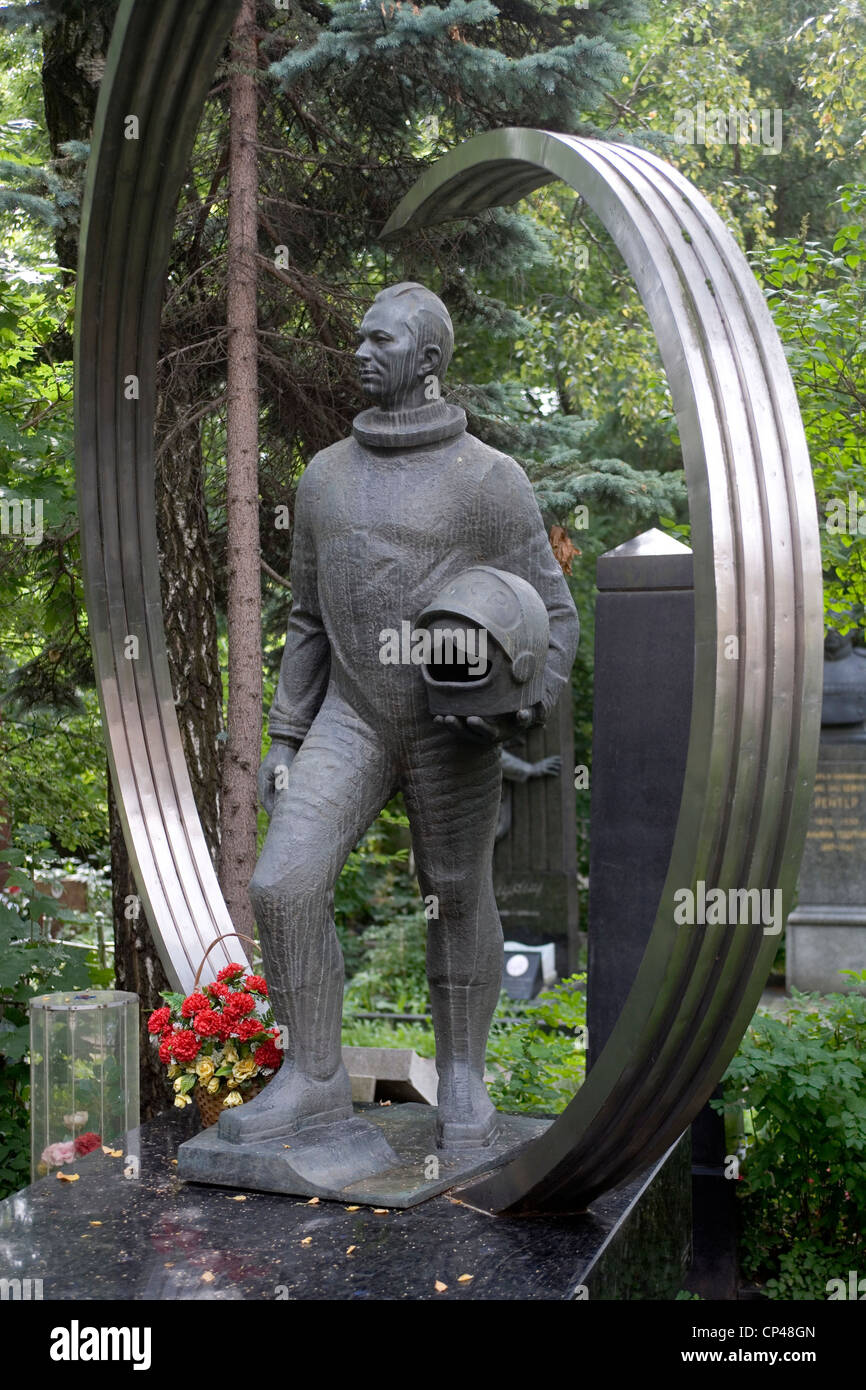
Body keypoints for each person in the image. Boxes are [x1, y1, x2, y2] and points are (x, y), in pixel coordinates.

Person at [218, 282, 579, 1148]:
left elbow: (556, 616)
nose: (360, 354)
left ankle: (462, 1074)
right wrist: (285, 737)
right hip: (350, 715)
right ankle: (310, 1076)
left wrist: (522, 704)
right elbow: (305, 622)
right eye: (359, 339)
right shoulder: (324, 478)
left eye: (381, 342)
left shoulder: (488, 481)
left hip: (449, 724)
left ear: (427, 361)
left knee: (457, 895)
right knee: (281, 883)